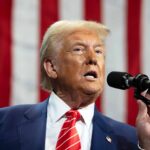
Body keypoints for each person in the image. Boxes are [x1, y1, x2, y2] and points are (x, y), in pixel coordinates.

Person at [0, 20, 150, 150]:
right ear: (52, 67)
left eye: (98, 51)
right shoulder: (5, 122)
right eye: (79, 49)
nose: (92, 59)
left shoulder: (131, 139)